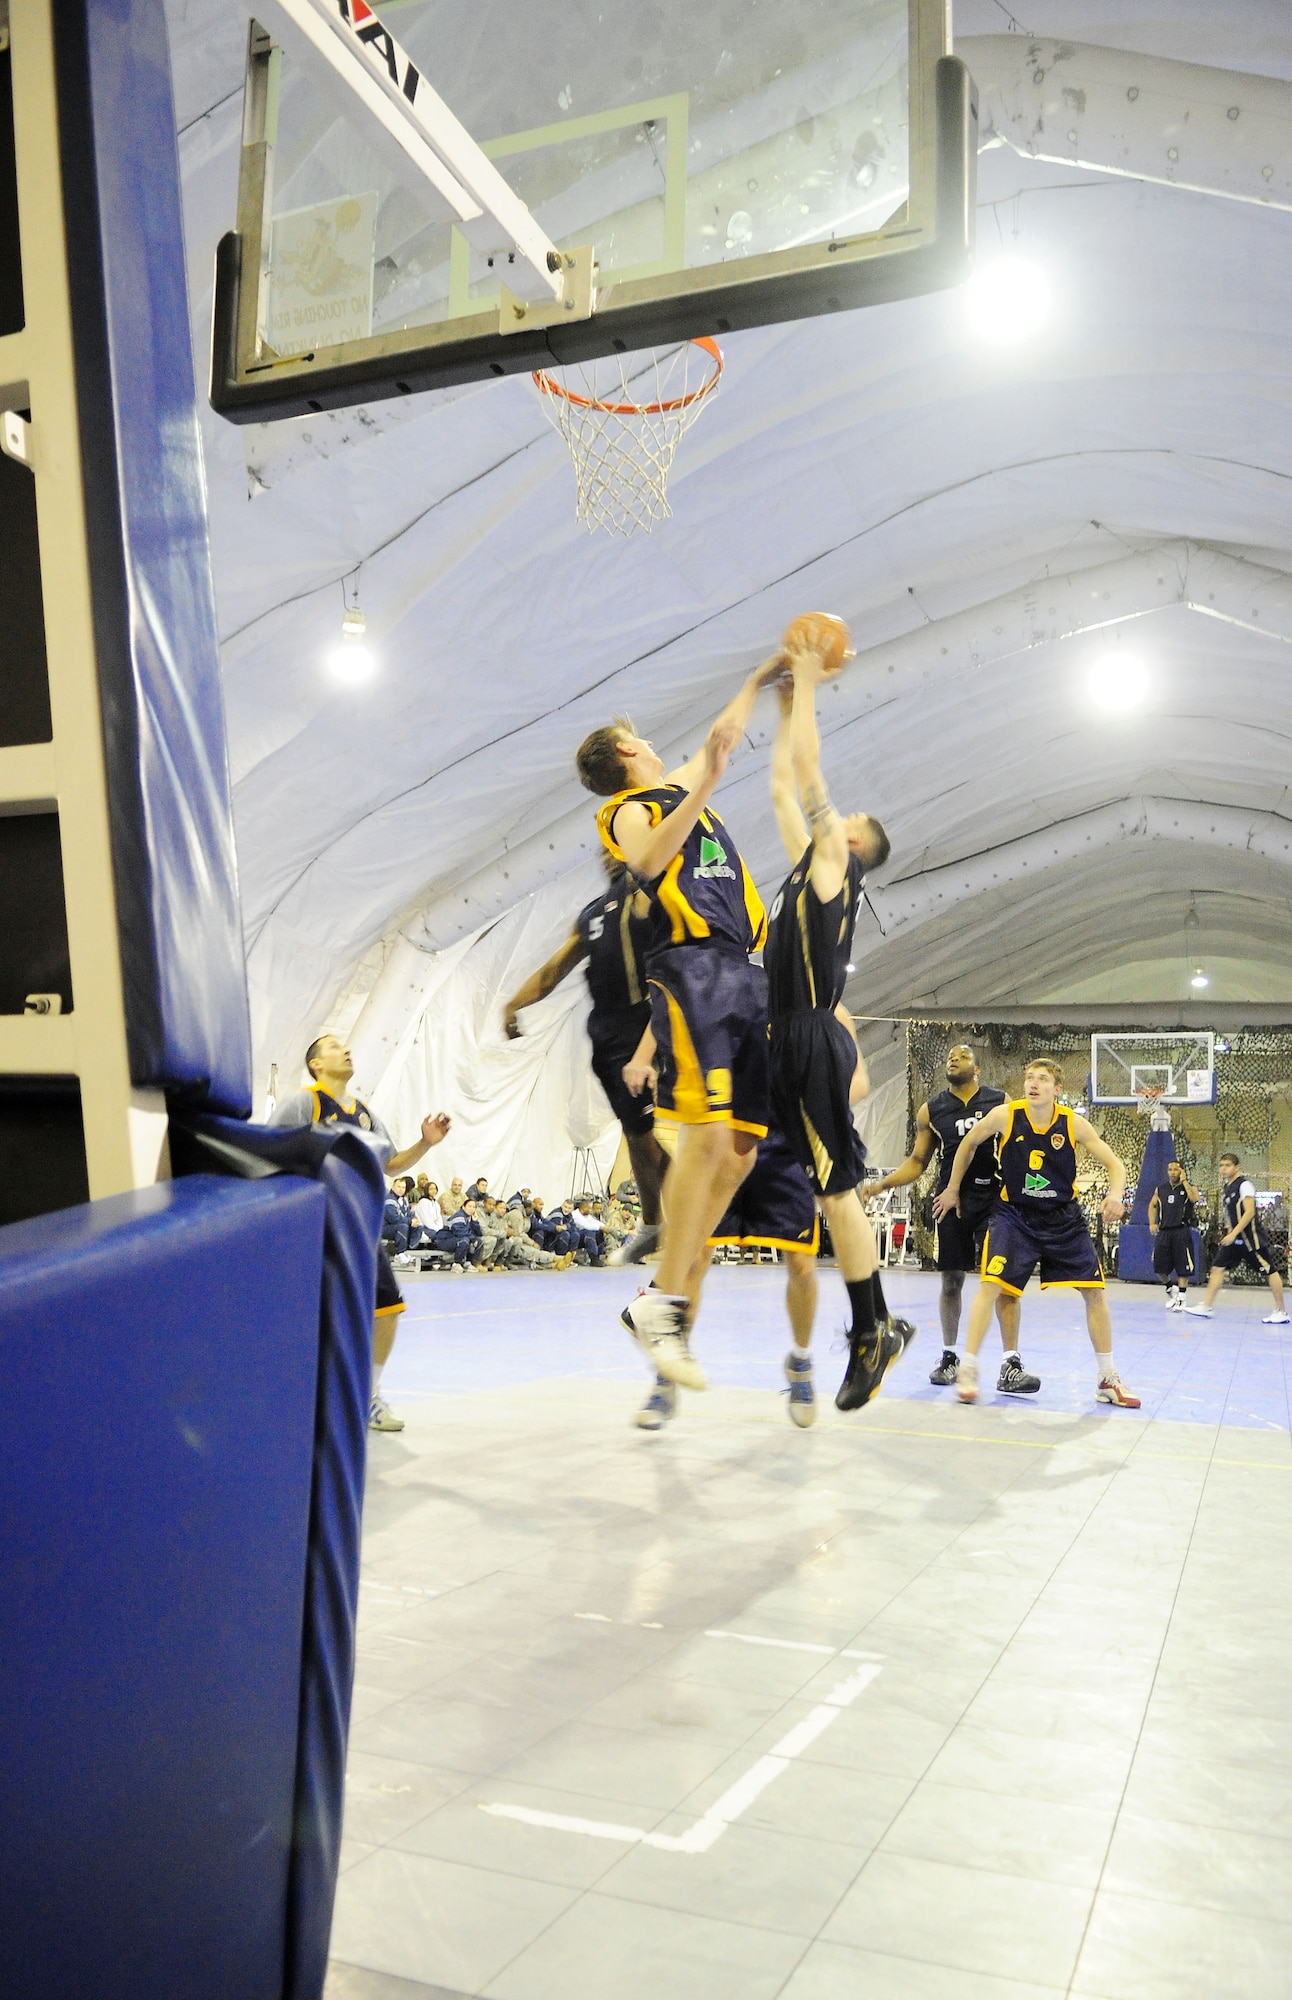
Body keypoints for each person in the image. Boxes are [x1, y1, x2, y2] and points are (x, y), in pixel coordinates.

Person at [578, 659, 783, 1391]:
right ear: (628, 751)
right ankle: (661, 1302)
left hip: (741, 967)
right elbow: (647, 862)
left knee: (740, 1148)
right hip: (692, 968)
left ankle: (662, 1299)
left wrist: (761, 680)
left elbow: (722, 736)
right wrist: (703, 786)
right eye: (644, 740)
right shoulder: (629, 810)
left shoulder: (677, 786)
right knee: (705, 1135)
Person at [764, 648, 913, 1413]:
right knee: (818, 1187)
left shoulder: (835, 867)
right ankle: (876, 1322)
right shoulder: (809, 869)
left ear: (854, 843)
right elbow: (782, 785)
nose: (837, 814)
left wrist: (812, 688)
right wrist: (786, 703)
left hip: (810, 1037)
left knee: (838, 1193)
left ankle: (871, 1328)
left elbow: (809, 772)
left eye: (848, 820)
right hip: (784, 1036)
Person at [935, 1058, 1140, 1408]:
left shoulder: (1073, 1123)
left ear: (1057, 1090)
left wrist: (1115, 1195)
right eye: (1029, 1077)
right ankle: (968, 1368)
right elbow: (968, 1144)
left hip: (1063, 1218)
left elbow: (1115, 1165)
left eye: (1042, 1079)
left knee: (1094, 1292)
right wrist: (953, 1187)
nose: (1033, 1084)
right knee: (991, 1284)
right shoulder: (1006, 1115)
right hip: (1014, 1215)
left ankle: (1107, 1377)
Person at [270, 1033, 450, 1431]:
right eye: (333, 1046)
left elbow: (392, 1163)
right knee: (311, 1319)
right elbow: (268, 1149)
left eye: (345, 1044)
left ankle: (367, 1395)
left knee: (387, 1309)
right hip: (315, 1225)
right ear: (316, 1064)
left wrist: (425, 1142)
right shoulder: (305, 1102)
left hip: (358, 1227)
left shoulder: (365, 1113)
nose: (345, 1048)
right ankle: (295, 1402)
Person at [504, 859, 669, 1265]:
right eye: (604, 849)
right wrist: (514, 1004)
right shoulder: (593, 914)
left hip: (643, 1026)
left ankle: (683, 1219)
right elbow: (554, 970)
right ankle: (656, 1225)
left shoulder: (652, 896)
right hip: (606, 1034)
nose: (609, 855)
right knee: (637, 1136)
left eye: (618, 846)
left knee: (653, 1134)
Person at [869, 1044, 1026, 1391]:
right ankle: (950, 1356)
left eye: (963, 1056)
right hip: (951, 1201)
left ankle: (1010, 1363)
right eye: (949, 1056)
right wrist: (883, 1184)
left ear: (978, 1068)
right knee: (951, 1281)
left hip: (995, 1201)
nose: (953, 1059)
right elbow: (917, 1160)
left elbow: (1019, 1147)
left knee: (1000, 1281)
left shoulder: (1000, 1101)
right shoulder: (932, 1110)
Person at [1185, 1153, 1289, 1322]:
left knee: (1270, 1270)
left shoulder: (1245, 1185)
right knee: (1217, 1267)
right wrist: (1229, 1233)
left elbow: (1249, 1213)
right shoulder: (1227, 1188)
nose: (1223, 1169)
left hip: (1250, 1238)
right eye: (1221, 1165)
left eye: (1227, 1165)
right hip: (1234, 1240)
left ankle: (1281, 1311)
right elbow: (1231, 1214)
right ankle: (1207, 1305)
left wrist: (1234, 1233)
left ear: (1236, 1167)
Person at [1148, 1158, 1203, 1311]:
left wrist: (1185, 1181)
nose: (1172, 1172)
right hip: (1164, 1232)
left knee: (1182, 1267)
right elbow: (1152, 1205)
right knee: (1159, 1268)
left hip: (1181, 1231)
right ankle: (1171, 1290)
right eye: (1170, 1169)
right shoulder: (1161, 1189)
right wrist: (1152, 1222)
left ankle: (1182, 1299)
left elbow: (1194, 1198)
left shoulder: (1189, 1188)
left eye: (1176, 1169)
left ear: (1182, 1171)